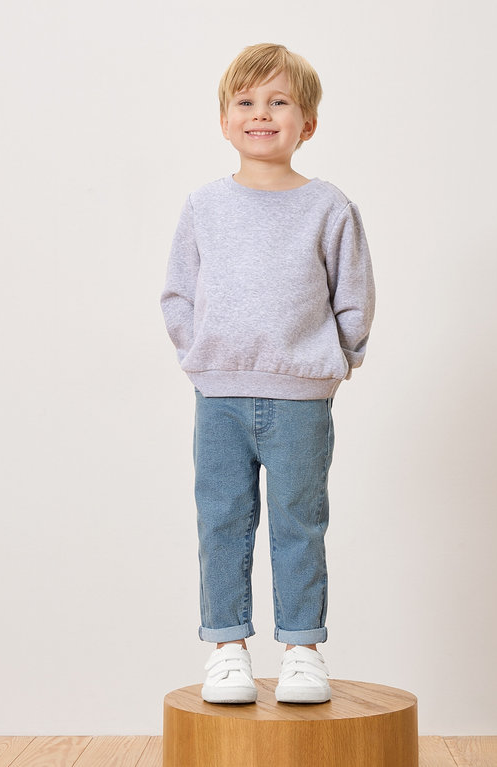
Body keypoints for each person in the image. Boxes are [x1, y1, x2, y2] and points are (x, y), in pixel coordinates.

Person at [160, 43, 375, 704]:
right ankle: (226, 647)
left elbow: (354, 295)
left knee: (298, 520)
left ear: (306, 123)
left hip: (301, 400)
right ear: (224, 120)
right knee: (221, 519)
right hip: (218, 394)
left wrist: (331, 362)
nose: (262, 114)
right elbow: (178, 294)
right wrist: (201, 355)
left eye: (279, 102)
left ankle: (302, 648)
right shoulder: (203, 205)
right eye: (247, 102)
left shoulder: (328, 206)